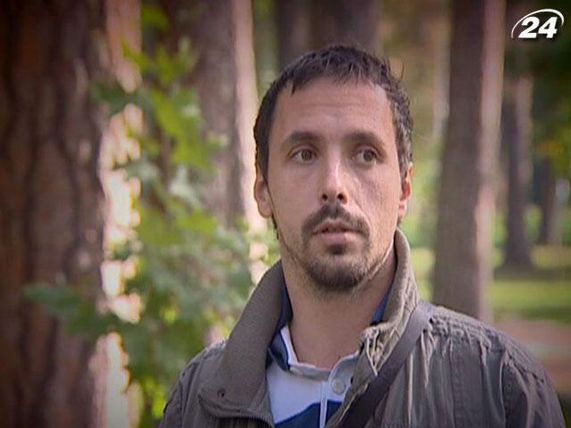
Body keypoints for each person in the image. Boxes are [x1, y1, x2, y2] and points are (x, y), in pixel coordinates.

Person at [160, 46, 564, 428]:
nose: (334, 186)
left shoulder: (501, 389)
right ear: (264, 190)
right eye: (304, 153)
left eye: (366, 154)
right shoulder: (197, 399)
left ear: (404, 189)